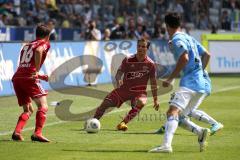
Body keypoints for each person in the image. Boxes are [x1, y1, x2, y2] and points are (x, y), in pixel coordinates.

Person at [149, 12, 218, 153]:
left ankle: (166, 146)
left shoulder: (177, 39)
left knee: (171, 112)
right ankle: (200, 132)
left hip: (190, 83)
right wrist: (199, 71)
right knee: (179, 118)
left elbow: (184, 58)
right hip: (200, 84)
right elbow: (207, 55)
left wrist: (171, 78)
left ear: (166, 26)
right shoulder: (188, 37)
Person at [93, 38, 159, 131]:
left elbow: (153, 83)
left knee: (142, 102)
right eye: (138, 46)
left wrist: (155, 100)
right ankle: (93, 122)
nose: (140, 48)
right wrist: (118, 79)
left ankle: (123, 123)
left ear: (147, 49)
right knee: (105, 103)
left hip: (139, 92)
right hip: (124, 90)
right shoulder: (128, 60)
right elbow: (119, 72)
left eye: (143, 46)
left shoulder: (151, 64)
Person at [11, 24, 51, 142]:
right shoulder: (44, 43)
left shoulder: (27, 45)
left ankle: (17, 132)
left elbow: (25, 63)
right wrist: (38, 72)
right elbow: (39, 51)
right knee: (43, 106)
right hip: (29, 77)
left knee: (28, 110)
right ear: (47, 36)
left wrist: (40, 76)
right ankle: (37, 133)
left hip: (17, 77)